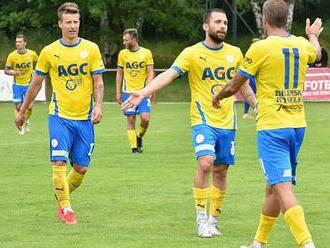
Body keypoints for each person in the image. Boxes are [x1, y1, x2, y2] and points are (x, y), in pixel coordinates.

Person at [122, 8, 256, 237]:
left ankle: (214, 219)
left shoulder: (235, 53)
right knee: (205, 164)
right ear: (206, 26)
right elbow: (169, 74)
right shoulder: (192, 53)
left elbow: (240, 83)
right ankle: (201, 219)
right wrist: (144, 93)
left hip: (227, 121)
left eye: (225, 22)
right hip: (202, 118)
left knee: (221, 171)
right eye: (217, 22)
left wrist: (255, 104)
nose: (223, 26)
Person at [212, 0, 322, 247]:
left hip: (273, 127)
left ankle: (307, 244)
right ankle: (258, 243)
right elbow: (317, 53)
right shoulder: (301, 44)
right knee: (273, 187)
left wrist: (218, 96)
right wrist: (313, 35)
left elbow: (235, 84)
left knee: (282, 189)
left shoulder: (261, 48)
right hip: (297, 126)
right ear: (287, 20)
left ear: (265, 19)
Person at [15, 2, 105, 225]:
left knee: (81, 168)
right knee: (58, 161)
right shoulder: (49, 51)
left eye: (76, 22)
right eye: (68, 22)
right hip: (59, 116)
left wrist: (99, 106)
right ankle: (65, 208)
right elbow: (36, 84)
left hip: (84, 118)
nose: (73, 26)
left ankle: (61, 194)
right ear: (60, 24)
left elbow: (98, 81)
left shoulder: (91, 49)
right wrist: (23, 111)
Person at [115, 28, 154, 154]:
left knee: (145, 119)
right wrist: (118, 92)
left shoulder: (146, 53)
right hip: (128, 92)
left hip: (142, 92)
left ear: (134, 39)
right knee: (131, 119)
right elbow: (119, 74)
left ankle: (139, 137)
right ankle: (134, 148)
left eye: (126, 40)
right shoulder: (122, 54)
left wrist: (149, 90)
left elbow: (150, 72)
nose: (124, 42)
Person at [5, 34, 38, 135]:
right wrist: (14, 72)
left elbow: (39, 63)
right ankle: (20, 125)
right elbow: (6, 70)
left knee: (30, 107)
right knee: (19, 108)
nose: (18, 44)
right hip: (17, 85)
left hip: (29, 84)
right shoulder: (12, 56)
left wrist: (35, 73)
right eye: (16, 42)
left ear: (25, 43)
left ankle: (26, 120)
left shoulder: (32, 54)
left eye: (20, 42)